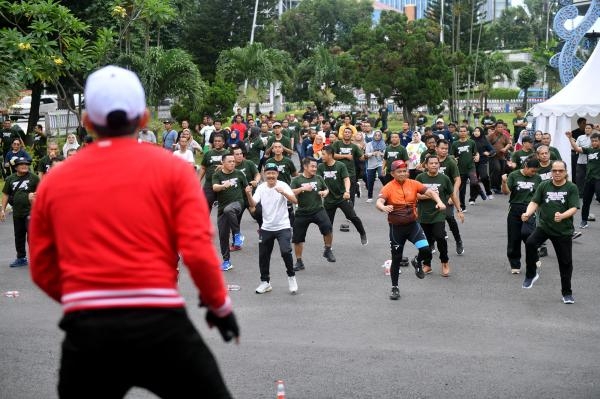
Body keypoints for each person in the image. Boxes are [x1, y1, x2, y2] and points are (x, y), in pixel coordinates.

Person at [28, 65, 238, 398]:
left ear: (86, 122)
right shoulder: (173, 171)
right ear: (144, 118)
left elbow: (41, 266)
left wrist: (84, 300)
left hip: (88, 334)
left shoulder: (55, 180)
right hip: (161, 325)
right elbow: (198, 251)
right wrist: (220, 308)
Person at [376, 160, 446, 300]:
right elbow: (379, 202)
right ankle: (395, 287)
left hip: (413, 226)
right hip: (397, 229)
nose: (403, 174)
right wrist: (383, 207)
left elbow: (430, 192)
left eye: (404, 171)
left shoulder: (413, 184)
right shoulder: (388, 187)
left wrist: (439, 202)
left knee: (426, 250)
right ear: (392, 173)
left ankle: (417, 261)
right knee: (396, 259)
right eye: (399, 171)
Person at [521, 160, 579, 304]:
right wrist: (528, 213)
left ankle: (567, 293)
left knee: (565, 263)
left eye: (560, 171)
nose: (557, 173)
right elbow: (535, 201)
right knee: (530, 243)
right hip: (545, 227)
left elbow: (574, 208)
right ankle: (531, 274)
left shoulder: (571, 187)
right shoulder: (544, 185)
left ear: (566, 172)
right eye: (554, 171)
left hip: (563, 231)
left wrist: (563, 215)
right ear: (551, 172)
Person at [245, 163, 298, 294]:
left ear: (277, 174)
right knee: (263, 256)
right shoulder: (262, 187)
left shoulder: (283, 185)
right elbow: (253, 204)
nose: (271, 176)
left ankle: (291, 277)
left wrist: (284, 193)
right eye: (268, 173)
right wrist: (248, 195)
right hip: (266, 227)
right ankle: (265, 282)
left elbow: (295, 200)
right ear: (264, 174)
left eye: (273, 173)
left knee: (286, 252)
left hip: (283, 226)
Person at [416, 154, 463, 277]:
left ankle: (445, 261)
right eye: (431, 163)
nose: (434, 165)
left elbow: (453, 195)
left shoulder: (444, 178)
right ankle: (427, 264)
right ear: (426, 165)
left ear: (439, 165)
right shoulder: (420, 177)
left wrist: (459, 210)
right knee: (425, 242)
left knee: (440, 236)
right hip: (423, 214)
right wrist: (430, 195)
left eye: (436, 163)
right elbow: (415, 196)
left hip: (439, 213)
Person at [318, 146, 368, 246]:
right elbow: (319, 182)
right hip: (328, 199)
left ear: (330, 155)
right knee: (327, 224)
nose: (321, 156)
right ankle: (328, 246)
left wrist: (347, 191)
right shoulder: (320, 167)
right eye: (321, 154)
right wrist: (321, 192)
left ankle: (362, 233)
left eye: (323, 154)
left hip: (341, 197)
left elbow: (346, 179)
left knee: (352, 217)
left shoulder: (340, 165)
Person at [290, 157, 334, 271]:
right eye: (312, 166)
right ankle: (299, 262)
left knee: (328, 228)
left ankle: (327, 250)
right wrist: (302, 188)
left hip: (318, 209)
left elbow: (326, 189)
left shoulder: (318, 178)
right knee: (297, 239)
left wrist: (325, 192)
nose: (315, 169)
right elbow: (290, 192)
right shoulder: (297, 180)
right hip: (302, 212)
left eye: (316, 166)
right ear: (305, 167)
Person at [501, 157, 541, 274]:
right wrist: (504, 182)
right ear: (525, 167)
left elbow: (539, 196)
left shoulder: (537, 178)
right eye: (532, 171)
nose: (534, 173)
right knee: (514, 237)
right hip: (514, 208)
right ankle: (515, 264)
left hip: (529, 208)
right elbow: (506, 192)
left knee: (528, 234)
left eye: (536, 171)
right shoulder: (514, 175)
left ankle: (534, 255)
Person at [212, 153, 248, 271]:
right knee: (223, 236)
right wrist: (223, 186)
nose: (232, 163)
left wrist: (251, 203)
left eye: (233, 161)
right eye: (229, 161)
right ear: (223, 162)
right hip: (222, 209)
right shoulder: (217, 175)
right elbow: (215, 187)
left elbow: (247, 188)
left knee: (229, 209)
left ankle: (237, 235)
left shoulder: (239, 174)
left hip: (237, 203)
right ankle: (226, 261)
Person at [1, 157, 39, 267]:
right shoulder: (10, 179)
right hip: (17, 213)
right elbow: (6, 194)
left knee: (32, 236)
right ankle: (21, 258)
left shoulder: (34, 178)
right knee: (19, 236)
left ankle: (36, 259)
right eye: (22, 164)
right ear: (16, 167)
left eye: (26, 164)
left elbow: (41, 191)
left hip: (31, 212)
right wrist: (2, 210)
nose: (25, 166)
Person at [567, 131, 600, 229]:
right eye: (592, 141)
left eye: (596, 141)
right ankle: (584, 220)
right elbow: (576, 148)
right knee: (586, 201)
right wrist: (570, 138)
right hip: (589, 179)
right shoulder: (589, 150)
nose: (594, 143)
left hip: (598, 179)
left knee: (599, 196)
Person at [451, 126, 481, 210]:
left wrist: (477, 156)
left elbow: (476, 153)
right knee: (462, 190)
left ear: (467, 132)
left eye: (464, 131)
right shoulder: (455, 143)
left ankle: (480, 192)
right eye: (461, 131)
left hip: (471, 167)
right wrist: (453, 158)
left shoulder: (471, 142)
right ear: (458, 132)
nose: (462, 133)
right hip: (460, 169)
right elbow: (451, 155)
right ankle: (462, 206)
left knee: (474, 182)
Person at [198, 134, 228, 212]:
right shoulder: (208, 153)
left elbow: (234, 167)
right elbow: (203, 167)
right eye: (215, 141)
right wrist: (198, 180)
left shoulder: (228, 153)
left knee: (225, 209)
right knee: (205, 206)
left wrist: (223, 166)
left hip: (223, 184)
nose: (217, 143)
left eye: (219, 141)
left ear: (223, 142)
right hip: (209, 184)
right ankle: (204, 223)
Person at [365, 130, 387, 202]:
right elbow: (366, 154)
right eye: (376, 135)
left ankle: (387, 189)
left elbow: (386, 155)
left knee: (381, 175)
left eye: (379, 135)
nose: (377, 136)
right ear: (373, 136)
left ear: (381, 136)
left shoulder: (383, 144)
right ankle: (370, 197)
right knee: (370, 180)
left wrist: (382, 154)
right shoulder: (369, 144)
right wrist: (372, 153)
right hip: (371, 164)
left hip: (380, 163)